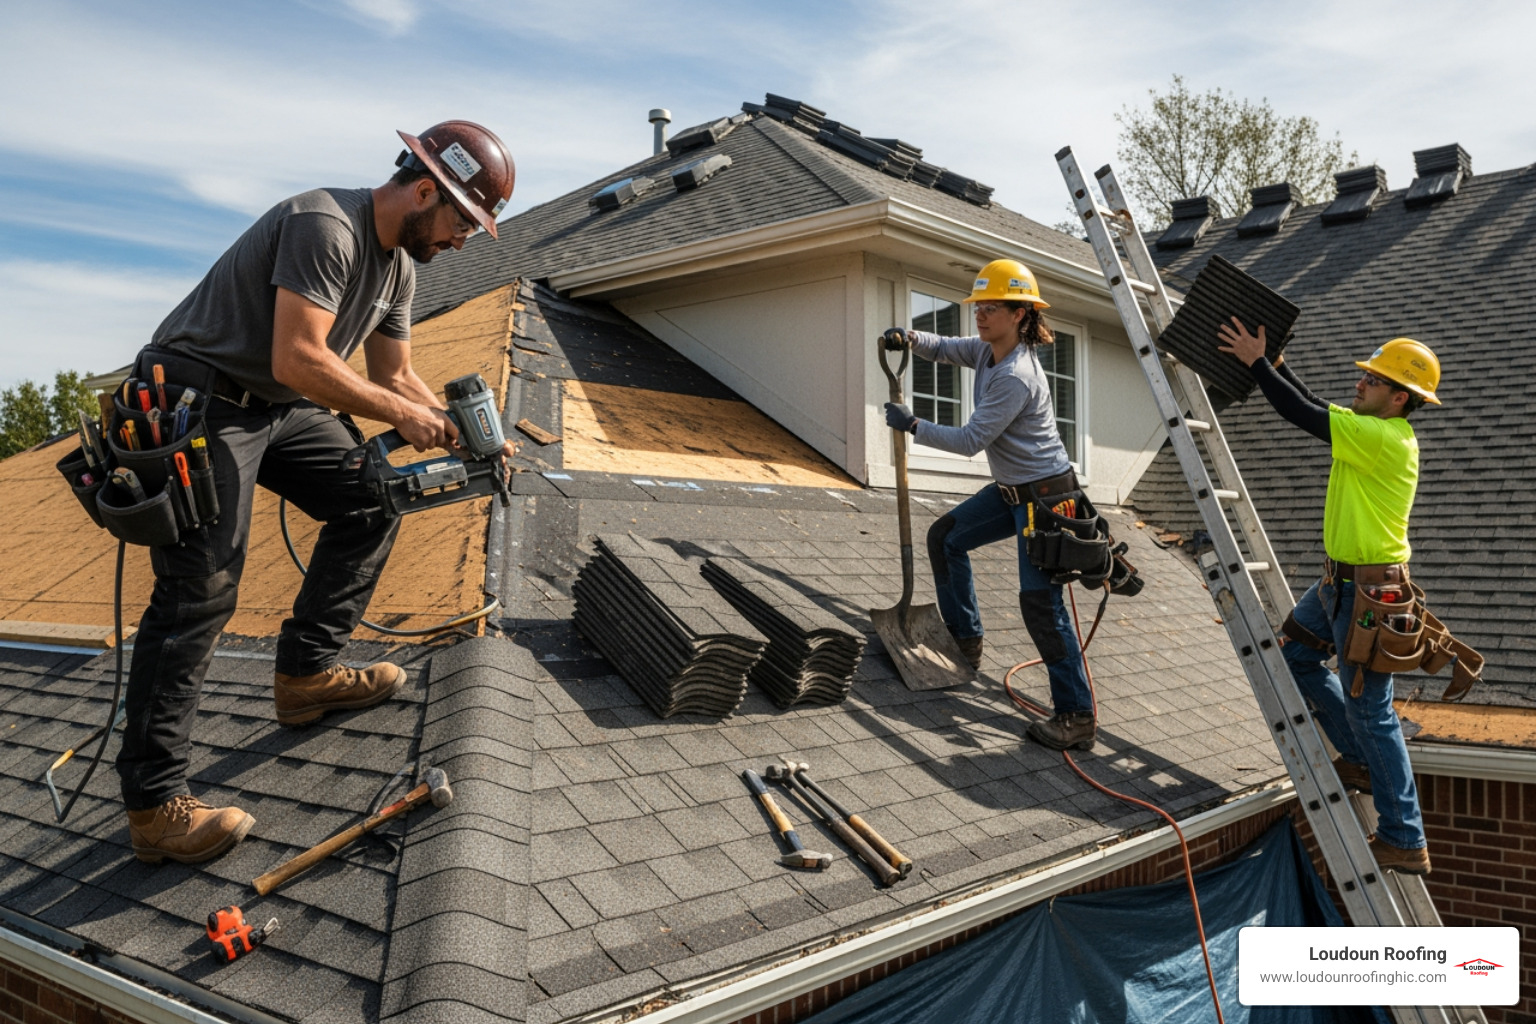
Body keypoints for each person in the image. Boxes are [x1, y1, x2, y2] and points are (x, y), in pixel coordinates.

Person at [118, 121, 516, 865]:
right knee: (198, 593)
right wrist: (404, 417)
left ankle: (305, 676)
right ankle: (154, 806)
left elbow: (395, 377)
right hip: (199, 395)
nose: (463, 239)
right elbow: (300, 357)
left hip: (272, 404)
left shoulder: (400, 269)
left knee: (372, 493)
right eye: (463, 222)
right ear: (425, 189)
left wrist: (463, 429)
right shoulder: (322, 225)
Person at [1217, 321, 1440, 875]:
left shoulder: (1384, 438)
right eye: (1366, 372)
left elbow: (1302, 415)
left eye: (1374, 378)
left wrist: (1257, 364)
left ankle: (1404, 837)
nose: (1360, 380)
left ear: (1400, 397)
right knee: (1294, 658)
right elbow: (1316, 403)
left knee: (1373, 708)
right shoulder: (1368, 427)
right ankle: (1362, 761)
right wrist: (1279, 364)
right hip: (1341, 582)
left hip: (1368, 592)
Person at [883, 258, 1098, 752]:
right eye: (978, 306)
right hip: (1010, 492)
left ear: (1020, 314)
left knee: (1041, 606)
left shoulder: (1016, 375)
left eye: (992, 307)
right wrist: (910, 339)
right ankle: (966, 641)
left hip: (1045, 501)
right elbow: (943, 346)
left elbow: (971, 440)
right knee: (947, 538)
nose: (980, 315)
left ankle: (1077, 715)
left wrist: (912, 424)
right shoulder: (985, 351)